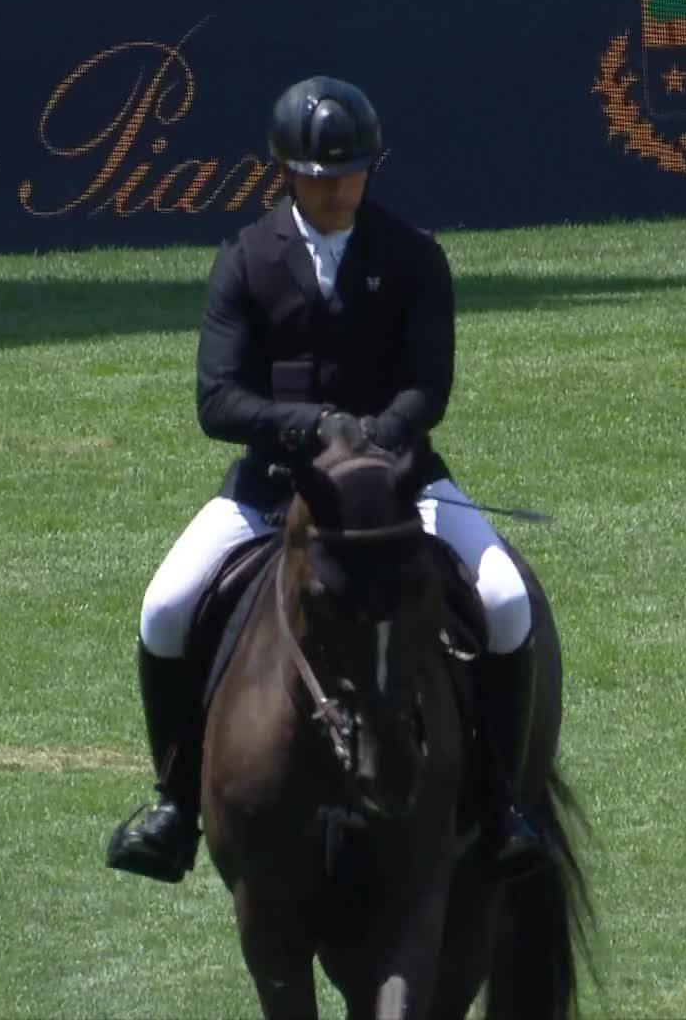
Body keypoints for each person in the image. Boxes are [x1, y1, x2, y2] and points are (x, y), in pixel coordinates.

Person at [105, 74, 553, 885]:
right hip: (276, 488)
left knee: (506, 599)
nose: (340, 189)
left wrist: (378, 441)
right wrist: (311, 428)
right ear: (286, 172)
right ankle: (174, 807)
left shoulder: (413, 256)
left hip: (397, 485)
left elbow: (428, 385)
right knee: (165, 606)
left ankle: (505, 807)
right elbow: (217, 398)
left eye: (353, 172)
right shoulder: (247, 260)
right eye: (321, 176)